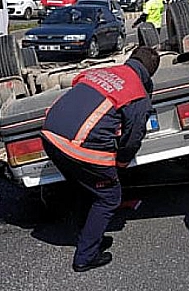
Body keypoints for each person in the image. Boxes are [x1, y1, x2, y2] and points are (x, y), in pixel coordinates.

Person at [40, 46, 160, 272]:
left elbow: (78, 87)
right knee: (109, 196)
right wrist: (122, 163)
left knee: (88, 189)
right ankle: (85, 257)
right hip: (77, 146)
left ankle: (88, 237)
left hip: (49, 135)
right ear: (150, 74)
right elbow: (133, 137)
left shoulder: (102, 72)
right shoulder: (137, 93)